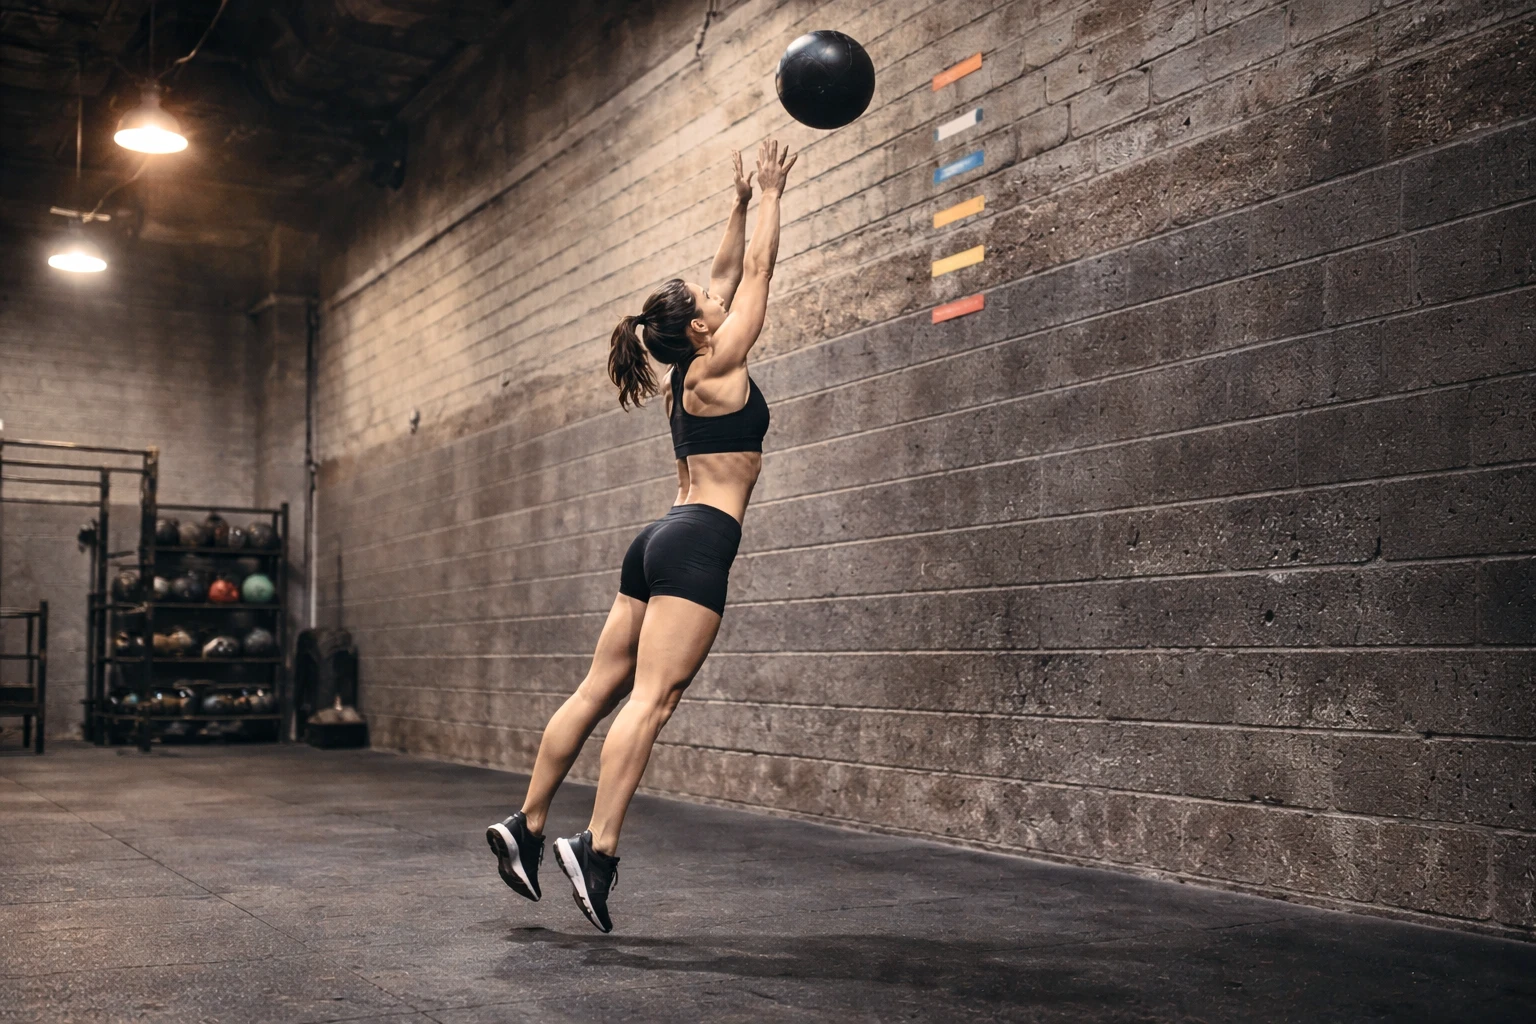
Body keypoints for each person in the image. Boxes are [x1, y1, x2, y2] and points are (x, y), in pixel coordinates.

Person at [486, 140, 797, 933]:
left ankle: (523, 825)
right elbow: (754, 276)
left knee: (599, 691)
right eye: (704, 299)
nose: (714, 289)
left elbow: (724, 277)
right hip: (697, 542)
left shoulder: (687, 373)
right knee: (651, 701)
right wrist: (769, 195)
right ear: (699, 326)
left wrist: (732, 207)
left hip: (656, 538)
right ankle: (597, 848)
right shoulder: (719, 364)